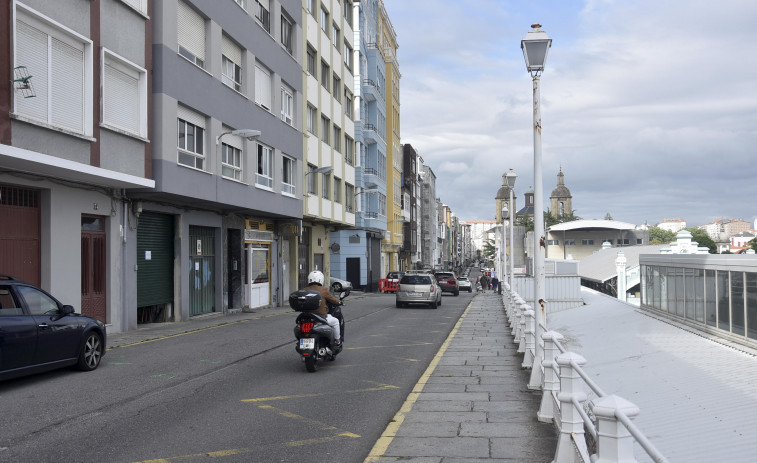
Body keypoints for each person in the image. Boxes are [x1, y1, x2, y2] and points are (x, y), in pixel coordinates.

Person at [304, 270, 343, 346]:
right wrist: (339, 302)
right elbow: (334, 300)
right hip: (320, 317)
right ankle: (337, 340)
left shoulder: (304, 290)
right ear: (321, 279)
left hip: (306, 317)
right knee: (335, 322)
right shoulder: (324, 290)